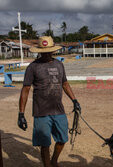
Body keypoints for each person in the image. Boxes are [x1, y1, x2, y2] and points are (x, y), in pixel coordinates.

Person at [18, 36, 81, 167]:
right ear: (39, 51)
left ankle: (54, 160)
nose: (46, 54)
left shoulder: (59, 64)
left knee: (62, 139)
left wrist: (74, 100)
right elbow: (25, 89)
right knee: (45, 143)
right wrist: (21, 114)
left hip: (58, 110)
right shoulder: (32, 67)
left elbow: (65, 84)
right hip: (41, 112)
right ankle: (47, 165)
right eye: (44, 52)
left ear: (53, 51)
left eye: (49, 51)